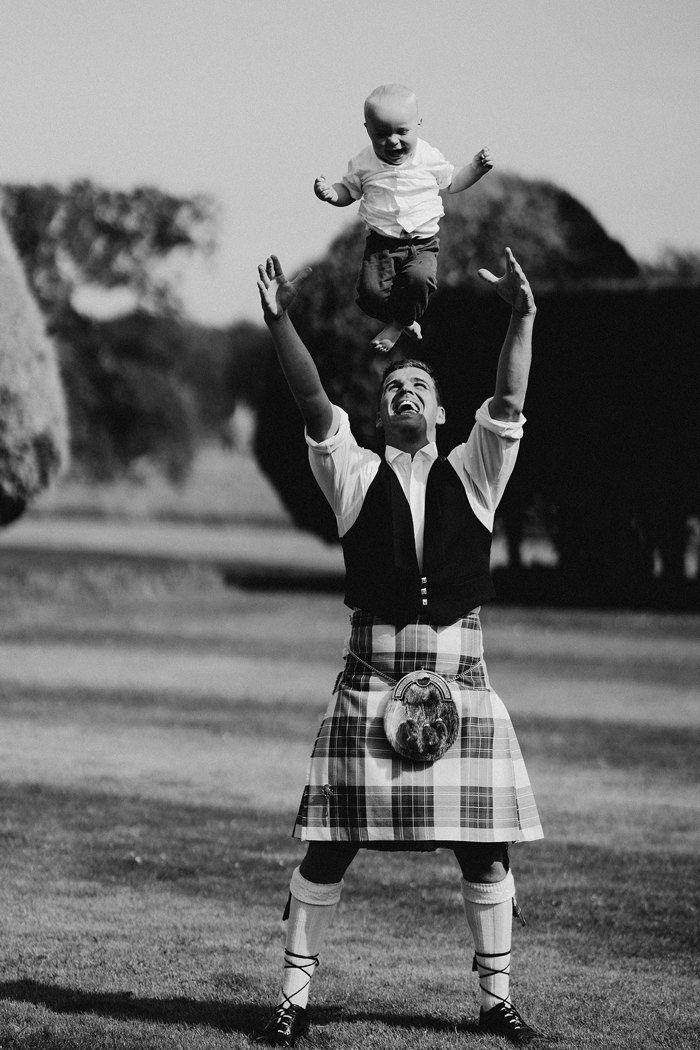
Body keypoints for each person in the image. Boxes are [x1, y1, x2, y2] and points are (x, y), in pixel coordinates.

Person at [254, 248, 545, 1046]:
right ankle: (292, 999)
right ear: (379, 415)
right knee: (327, 849)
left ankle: (496, 1001)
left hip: (464, 682)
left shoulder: (477, 470)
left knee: (485, 854)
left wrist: (522, 315)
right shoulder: (350, 475)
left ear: (446, 413)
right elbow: (313, 399)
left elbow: (511, 393)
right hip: (371, 684)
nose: (404, 389)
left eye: (419, 385)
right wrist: (280, 321)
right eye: (392, 387)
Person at [314, 83, 492, 353]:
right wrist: (331, 194)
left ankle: (398, 325)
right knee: (370, 294)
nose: (393, 141)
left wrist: (476, 169)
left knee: (419, 280)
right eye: (381, 134)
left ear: (419, 123)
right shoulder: (363, 163)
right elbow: (348, 192)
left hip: (422, 243)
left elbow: (453, 182)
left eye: (402, 132)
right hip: (381, 244)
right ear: (367, 130)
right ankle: (405, 319)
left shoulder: (428, 156)